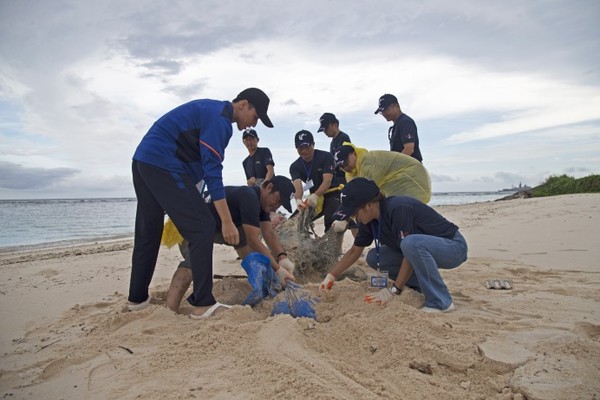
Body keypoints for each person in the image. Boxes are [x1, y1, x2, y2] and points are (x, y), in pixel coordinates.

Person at [128, 87, 274, 319]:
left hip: (144, 160)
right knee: (204, 227)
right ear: (244, 104)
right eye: (255, 117)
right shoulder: (221, 121)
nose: (253, 124)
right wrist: (226, 221)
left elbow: (196, 170)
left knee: (149, 231)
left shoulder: (210, 110)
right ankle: (203, 303)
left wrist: (182, 202)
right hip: (163, 162)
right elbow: (212, 172)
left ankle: (136, 299)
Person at [319, 178, 468, 313]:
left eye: (354, 213)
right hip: (418, 250)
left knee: (410, 243)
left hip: (453, 247)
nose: (353, 218)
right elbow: (354, 252)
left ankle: (441, 303)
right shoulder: (367, 220)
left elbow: (409, 250)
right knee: (373, 258)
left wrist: (394, 290)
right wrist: (331, 276)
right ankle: (420, 286)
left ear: (369, 205)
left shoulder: (398, 208)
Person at [164, 176, 296, 313]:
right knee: (195, 262)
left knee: (247, 239)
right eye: (279, 201)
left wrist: (282, 257)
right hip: (189, 224)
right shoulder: (249, 197)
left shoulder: (261, 205)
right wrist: (277, 269)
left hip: (212, 227)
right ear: (269, 188)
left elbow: (269, 233)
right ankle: (169, 310)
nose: (277, 206)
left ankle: (262, 281)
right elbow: (253, 240)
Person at [333, 143, 431, 204]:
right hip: (394, 179)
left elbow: (365, 193)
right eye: (341, 167)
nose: (345, 168)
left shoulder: (367, 162)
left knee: (400, 208)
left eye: (346, 163)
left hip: (412, 176)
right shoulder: (352, 171)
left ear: (354, 153)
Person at [289, 130, 344, 232]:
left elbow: (327, 181)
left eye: (306, 147)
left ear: (313, 144)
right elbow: (298, 188)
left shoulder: (326, 157)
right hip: (314, 199)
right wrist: (298, 200)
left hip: (332, 193)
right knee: (293, 222)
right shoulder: (294, 166)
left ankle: (336, 248)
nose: (304, 151)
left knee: (331, 222)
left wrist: (316, 195)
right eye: (300, 148)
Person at [374, 94, 422, 162]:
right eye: (382, 112)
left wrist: (393, 166)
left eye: (387, 110)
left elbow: (409, 149)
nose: (384, 113)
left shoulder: (405, 122)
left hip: (410, 169)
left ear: (397, 106)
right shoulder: (397, 125)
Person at [317, 112, 351, 184]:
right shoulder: (332, 143)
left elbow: (342, 160)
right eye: (323, 130)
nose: (325, 131)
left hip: (344, 177)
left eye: (326, 128)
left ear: (335, 125)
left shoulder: (343, 138)